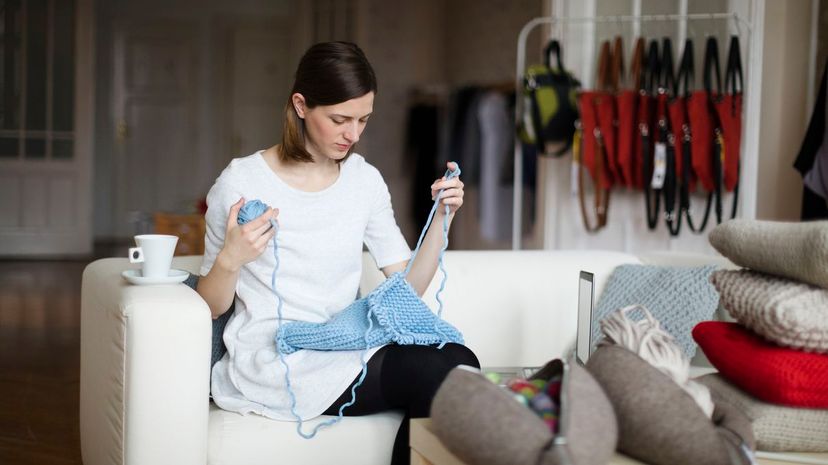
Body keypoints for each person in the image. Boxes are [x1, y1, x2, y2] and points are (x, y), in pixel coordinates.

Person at [197, 41, 479, 464]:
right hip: (277, 360)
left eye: (364, 119)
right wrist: (231, 259)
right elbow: (209, 307)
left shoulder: (364, 181)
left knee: (459, 361)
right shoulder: (241, 181)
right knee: (438, 373)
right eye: (340, 119)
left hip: (344, 344)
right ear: (301, 105)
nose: (354, 134)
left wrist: (442, 219)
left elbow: (408, 290)